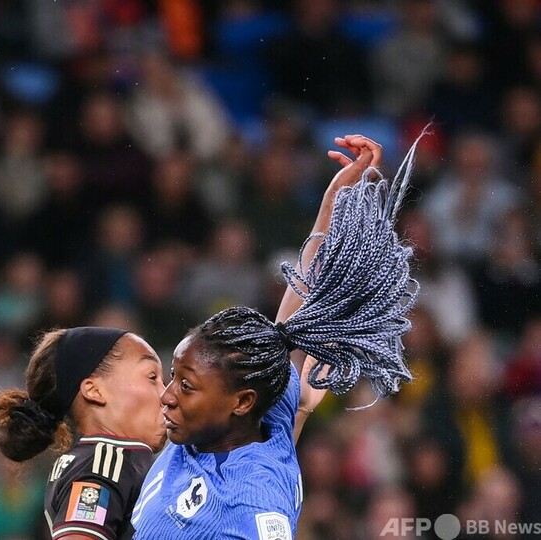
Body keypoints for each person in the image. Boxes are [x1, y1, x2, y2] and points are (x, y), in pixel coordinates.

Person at [131, 133, 421, 539]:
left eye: (186, 385)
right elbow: (290, 322)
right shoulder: (260, 413)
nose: (167, 394)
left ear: (241, 402)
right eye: (175, 375)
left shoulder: (253, 502)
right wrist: (333, 203)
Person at [0, 327, 166, 539]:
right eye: (152, 377)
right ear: (94, 390)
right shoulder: (104, 464)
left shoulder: (112, 461)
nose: (167, 393)